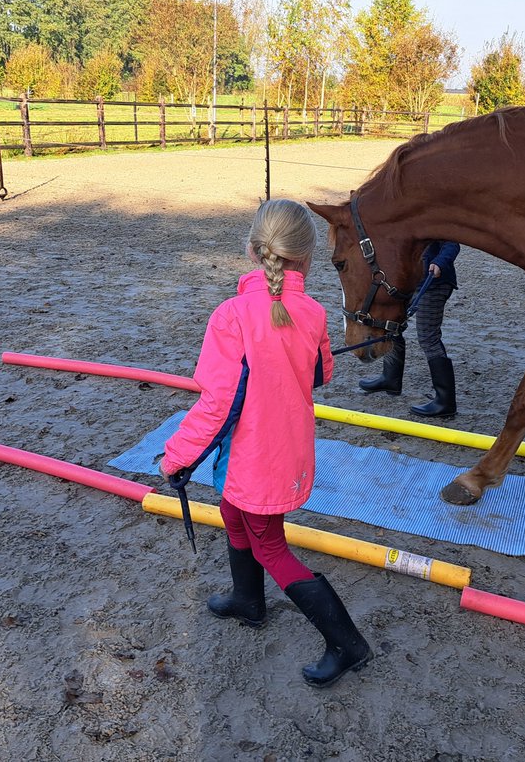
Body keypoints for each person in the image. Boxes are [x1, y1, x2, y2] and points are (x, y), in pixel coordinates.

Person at [159, 199, 373, 688]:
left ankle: (348, 644)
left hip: (258, 454)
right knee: (234, 514)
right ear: (306, 257)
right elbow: (321, 374)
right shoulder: (313, 311)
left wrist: (176, 458)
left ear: (253, 251)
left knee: (272, 547)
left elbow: (216, 405)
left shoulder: (232, 315)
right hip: (273, 451)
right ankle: (247, 601)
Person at [359, 240, 460, 419]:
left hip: (434, 283)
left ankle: (446, 401)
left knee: (428, 337)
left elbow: (452, 244)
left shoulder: (436, 213)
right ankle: (391, 379)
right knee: (391, 325)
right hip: (408, 282)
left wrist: (439, 262)